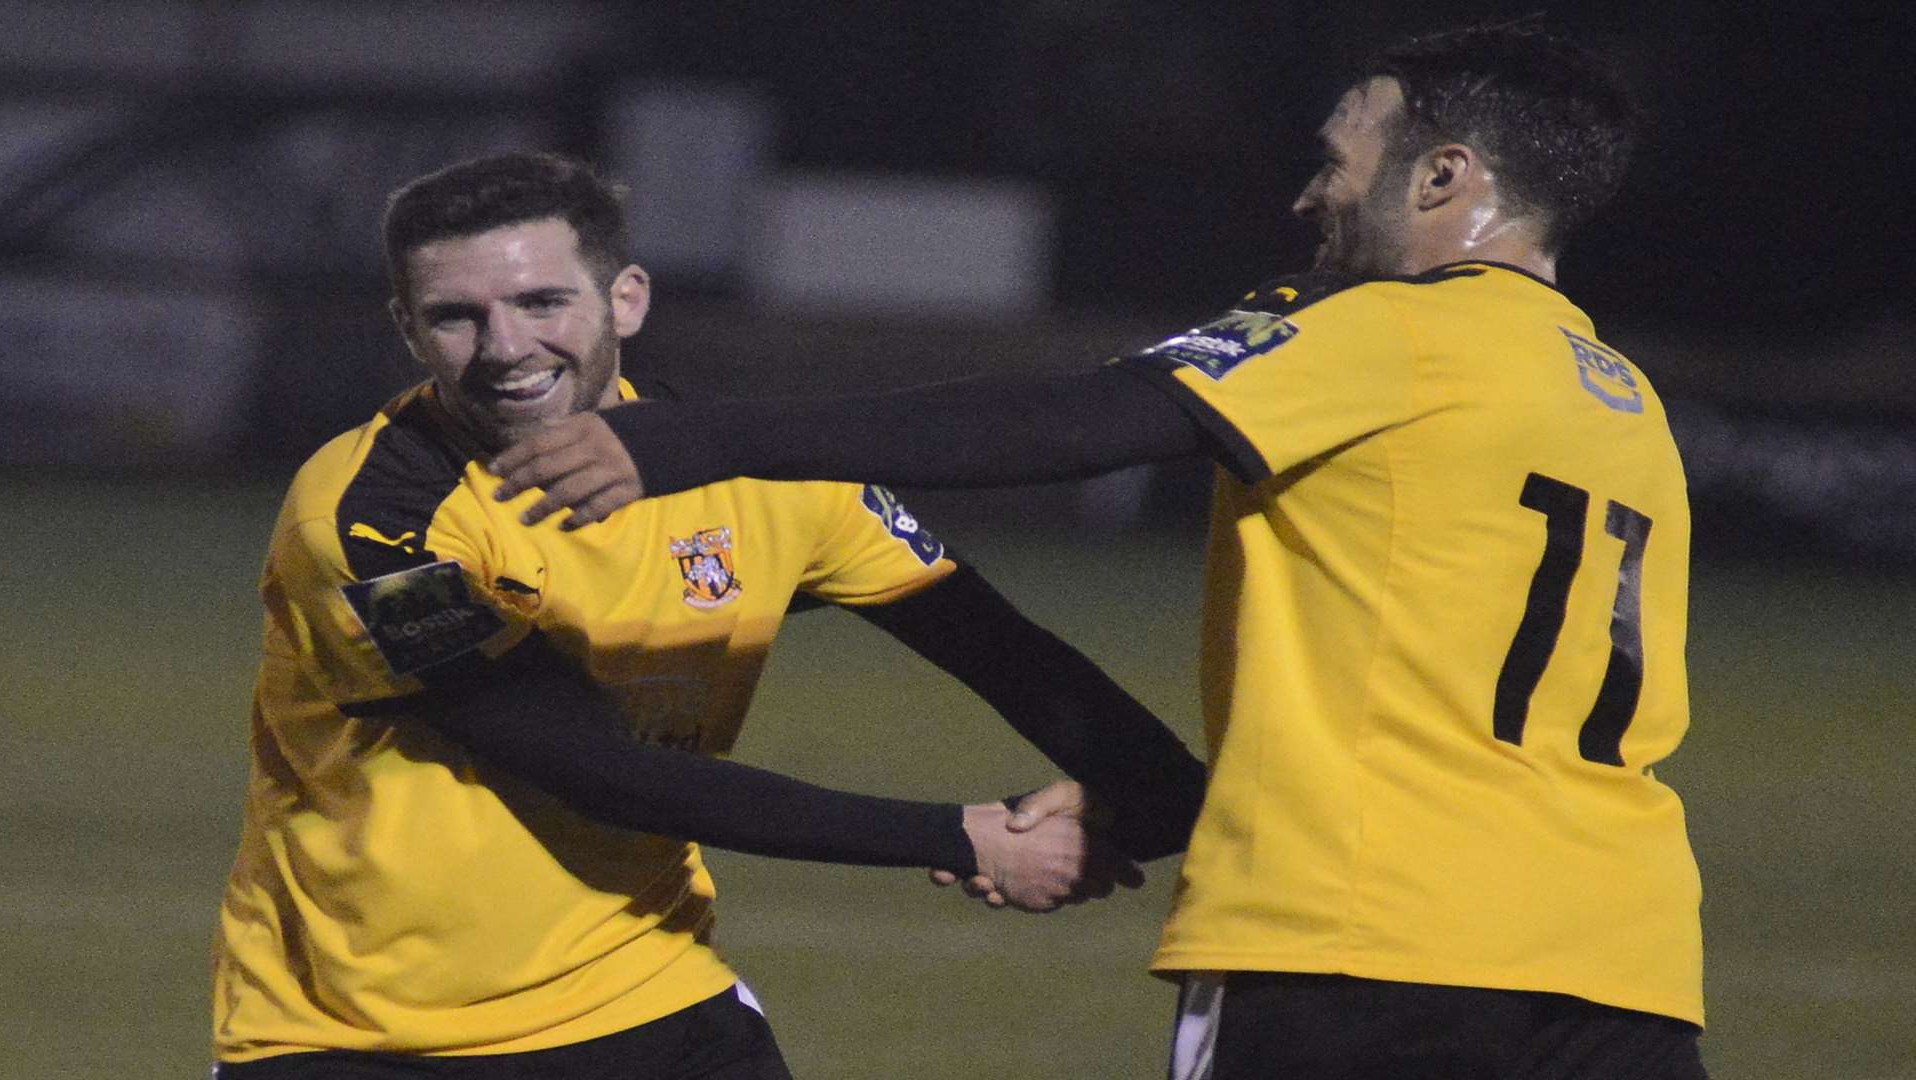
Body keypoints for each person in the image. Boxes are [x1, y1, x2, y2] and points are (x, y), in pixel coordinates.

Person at [490, 22, 1709, 1080]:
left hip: (1361, 945)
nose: (1309, 197)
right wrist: (1158, 800)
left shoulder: (1394, 327)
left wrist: (693, 441)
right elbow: (1432, 686)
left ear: (1444, 176)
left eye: (1338, 160)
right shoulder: (1618, 400)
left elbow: (1072, 422)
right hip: (1619, 960)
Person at [209, 151, 1207, 1079]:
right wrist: (958, 835)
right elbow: (601, 772)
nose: (506, 346)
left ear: (626, 298)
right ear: (408, 330)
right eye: (457, 315)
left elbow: (1010, 656)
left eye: (542, 301)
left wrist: (1128, 803)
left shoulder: (764, 479)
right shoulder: (367, 520)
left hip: (643, 992)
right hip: (356, 1035)